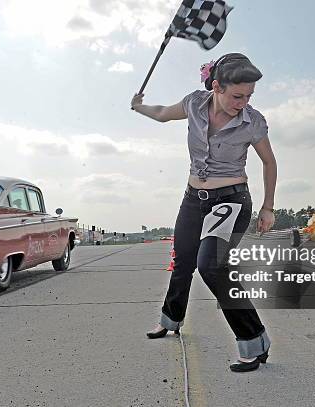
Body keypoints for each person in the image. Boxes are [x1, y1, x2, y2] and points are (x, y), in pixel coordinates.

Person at [130, 53, 277, 372]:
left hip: (232, 200)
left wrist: (268, 207)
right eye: (237, 96)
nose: (243, 103)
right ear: (216, 87)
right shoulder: (194, 104)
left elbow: (269, 162)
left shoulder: (253, 121)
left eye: (249, 96)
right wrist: (139, 105)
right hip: (193, 197)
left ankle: (255, 341)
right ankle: (170, 320)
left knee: (210, 265)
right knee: (182, 260)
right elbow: (163, 113)